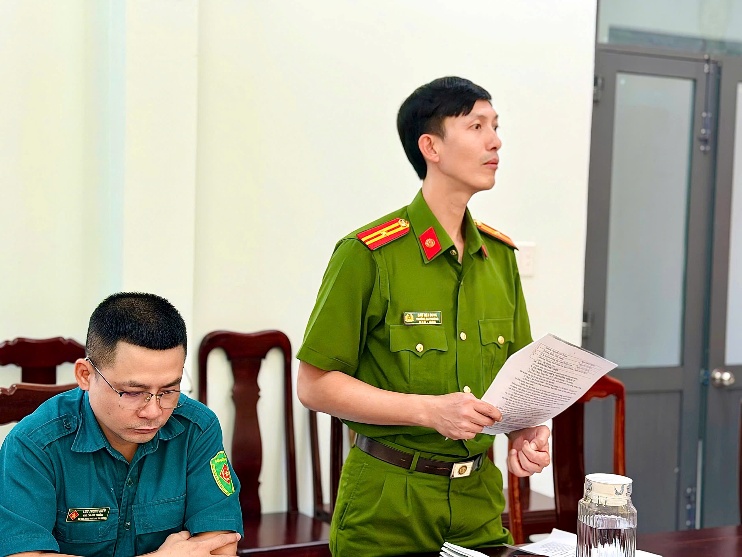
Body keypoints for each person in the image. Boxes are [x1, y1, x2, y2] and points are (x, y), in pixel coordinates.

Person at [296, 76, 550, 556]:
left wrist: (524, 431)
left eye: (496, 126)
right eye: (476, 126)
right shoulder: (368, 254)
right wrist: (429, 411)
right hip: (388, 504)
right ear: (430, 146)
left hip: (478, 502)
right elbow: (314, 385)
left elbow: (516, 382)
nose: (495, 141)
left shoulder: (499, 258)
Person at [0, 292, 243, 557]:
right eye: (133, 392)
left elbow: (220, 547)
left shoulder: (196, 428)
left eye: (168, 391)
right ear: (85, 375)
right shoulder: (34, 445)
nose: (153, 412)